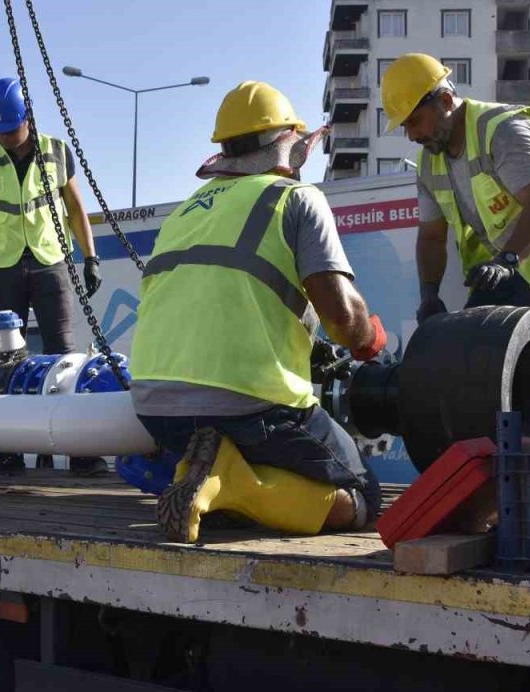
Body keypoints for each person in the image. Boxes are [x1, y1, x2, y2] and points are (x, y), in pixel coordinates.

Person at [129, 81, 386, 544]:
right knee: (362, 494)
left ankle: (209, 480)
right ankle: (236, 483)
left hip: (156, 409)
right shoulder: (295, 198)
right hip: (248, 406)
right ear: (290, 142)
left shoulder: (184, 212)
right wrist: (367, 340)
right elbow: (342, 318)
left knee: (250, 462)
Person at [0, 77, 107, 478]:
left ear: (26, 118)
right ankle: (9, 452)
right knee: (5, 361)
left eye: (9, 129)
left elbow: (76, 207)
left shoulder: (57, 152)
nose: (4, 137)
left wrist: (91, 257)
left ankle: (81, 453)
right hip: (3, 265)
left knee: (64, 354)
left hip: (50, 261)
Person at [380, 54, 530, 331]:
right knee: (472, 345)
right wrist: (429, 294)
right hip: (514, 260)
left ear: (445, 101)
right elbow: (432, 237)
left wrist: (506, 262)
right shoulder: (429, 164)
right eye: (405, 127)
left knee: (527, 356)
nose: (411, 136)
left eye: (415, 122)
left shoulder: (503, 131)